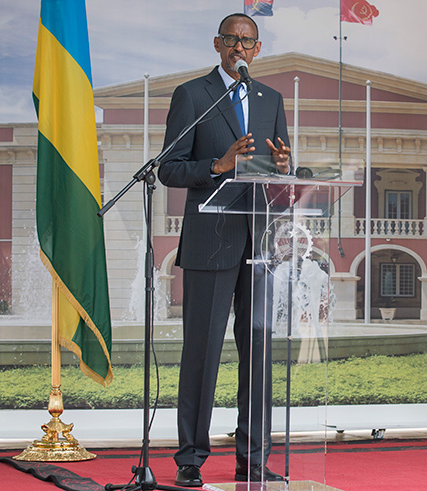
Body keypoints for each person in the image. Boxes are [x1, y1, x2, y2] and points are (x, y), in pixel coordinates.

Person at [157, 12, 291, 487]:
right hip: (209, 244)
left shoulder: (271, 99)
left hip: (258, 247)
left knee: (258, 356)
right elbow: (168, 169)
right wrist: (218, 163)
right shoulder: (192, 95)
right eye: (233, 39)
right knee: (202, 354)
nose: (240, 47)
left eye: (249, 41)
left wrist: (282, 166)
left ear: (257, 50)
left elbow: (282, 171)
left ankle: (253, 457)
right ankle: (190, 460)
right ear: (218, 44)